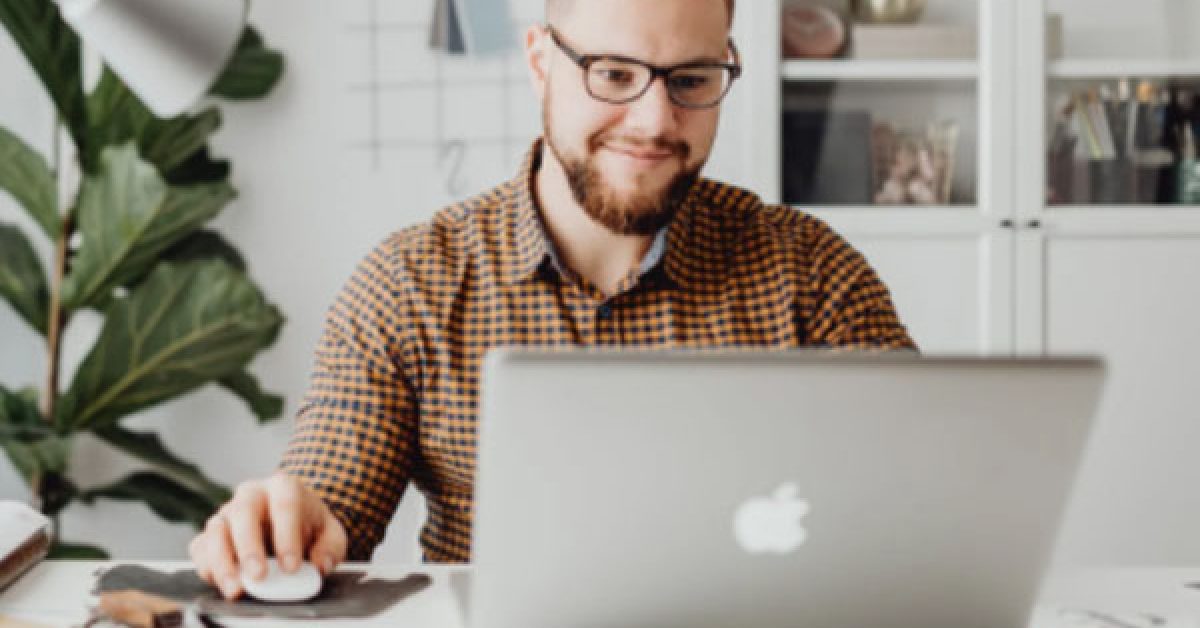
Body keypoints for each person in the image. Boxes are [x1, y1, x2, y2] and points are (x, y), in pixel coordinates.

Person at [189, 0, 916, 600]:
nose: (656, 121)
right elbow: (330, 497)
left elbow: (926, 504)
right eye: (613, 73)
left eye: (692, 79)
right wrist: (285, 522)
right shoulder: (411, 282)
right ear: (541, 62)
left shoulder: (812, 272)